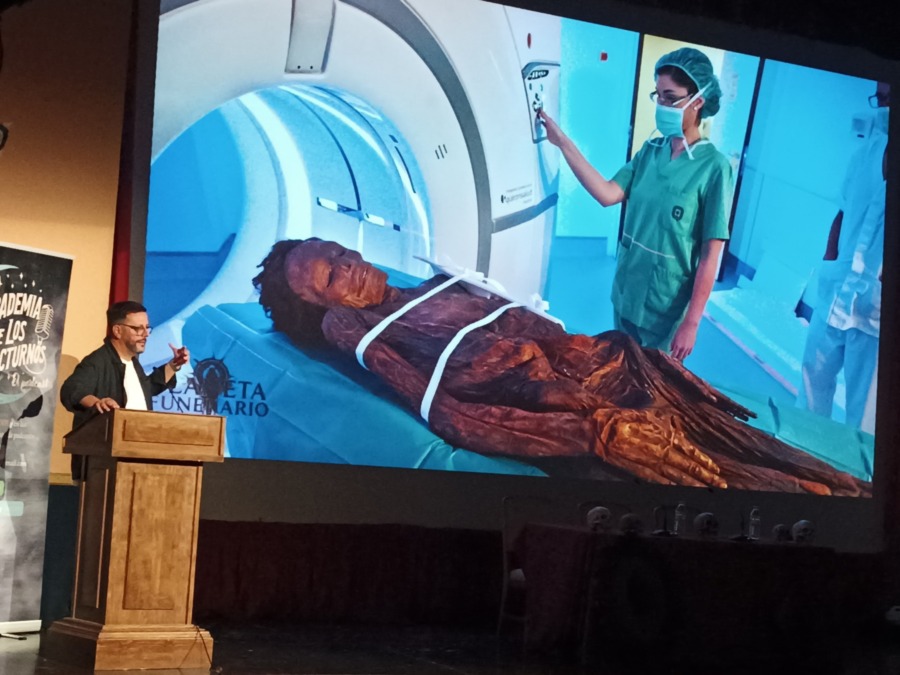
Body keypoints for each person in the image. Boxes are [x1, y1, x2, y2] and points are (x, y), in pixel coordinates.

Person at [253, 237, 868, 497]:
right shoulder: (360, 331)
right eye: (330, 276)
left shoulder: (436, 285)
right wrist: (588, 432)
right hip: (584, 409)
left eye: (340, 251)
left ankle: (858, 496)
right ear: (324, 309)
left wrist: (641, 363)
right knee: (769, 487)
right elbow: (448, 415)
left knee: (778, 456)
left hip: (616, 364)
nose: (348, 263)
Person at [539, 47, 733, 361]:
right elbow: (606, 194)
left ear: (698, 101)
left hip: (667, 307)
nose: (662, 105)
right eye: (658, 96)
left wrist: (692, 322)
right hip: (628, 291)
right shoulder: (650, 151)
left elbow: (711, 254)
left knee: (653, 383)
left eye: (671, 98)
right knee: (621, 371)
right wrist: (563, 142)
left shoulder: (714, 168)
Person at [799, 83, 889, 433]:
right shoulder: (864, 155)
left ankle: (852, 467)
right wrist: (829, 258)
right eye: (880, 99)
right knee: (812, 385)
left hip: (877, 311)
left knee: (864, 416)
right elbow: (842, 211)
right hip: (837, 289)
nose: (883, 107)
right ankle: (801, 452)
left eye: (890, 98)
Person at [60, 300, 190, 477]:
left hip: (137, 460)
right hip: (102, 468)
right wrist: (97, 402)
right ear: (117, 330)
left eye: (147, 328)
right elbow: (71, 389)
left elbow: (146, 390)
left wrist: (174, 365)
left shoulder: (132, 363)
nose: (146, 334)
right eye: (138, 329)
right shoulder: (97, 362)